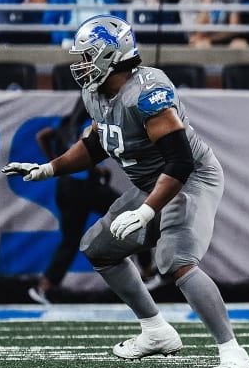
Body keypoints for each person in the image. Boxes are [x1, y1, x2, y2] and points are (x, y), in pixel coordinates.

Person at [1, 14, 249, 368]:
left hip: (190, 178)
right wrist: (47, 168)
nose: (81, 65)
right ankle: (155, 331)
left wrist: (148, 212)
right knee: (99, 248)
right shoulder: (96, 93)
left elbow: (180, 162)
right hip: (154, 183)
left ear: (110, 55)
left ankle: (234, 353)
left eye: (88, 56)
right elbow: (95, 143)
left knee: (175, 259)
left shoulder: (147, 93)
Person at [25, 100, 159, 305]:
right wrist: (97, 170)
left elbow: (42, 136)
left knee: (70, 241)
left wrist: (54, 162)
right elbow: (83, 149)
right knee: (133, 213)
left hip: (66, 186)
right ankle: (147, 271)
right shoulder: (91, 121)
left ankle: (43, 287)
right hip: (85, 186)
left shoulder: (65, 123)